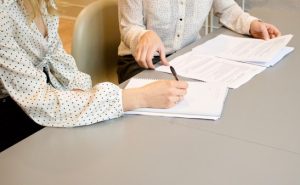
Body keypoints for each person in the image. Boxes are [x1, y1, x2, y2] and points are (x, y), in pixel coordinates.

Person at [0, 0, 188, 152]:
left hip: (41, 93)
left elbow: (57, 58)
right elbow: (39, 101)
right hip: (14, 112)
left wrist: (83, 94)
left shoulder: (42, 3)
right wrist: (140, 97)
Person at [117, 0, 282, 83]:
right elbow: (129, 27)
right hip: (140, 62)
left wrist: (252, 25)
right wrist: (142, 36)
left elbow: (227, 9)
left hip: (188, 56)